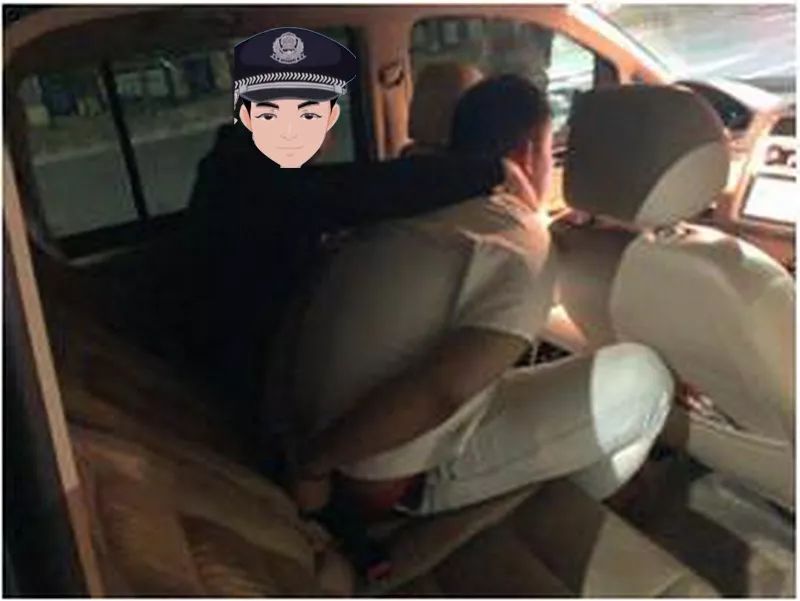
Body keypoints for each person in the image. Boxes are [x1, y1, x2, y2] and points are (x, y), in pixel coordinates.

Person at [287, 75, 674, 518]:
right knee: (645, 376)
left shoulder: (405, 199)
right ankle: (565, 509)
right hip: (382, 477)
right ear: (529, 151)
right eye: (551, 152)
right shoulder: (517, 241)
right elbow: (442, 391)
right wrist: (313, 466)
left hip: (315, 426)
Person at [178, 28, 516, 461]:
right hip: (237, 383)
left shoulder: (235, 167)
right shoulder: (252, 181)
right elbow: (357, 191)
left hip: (248, 360)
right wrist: (493, 170)